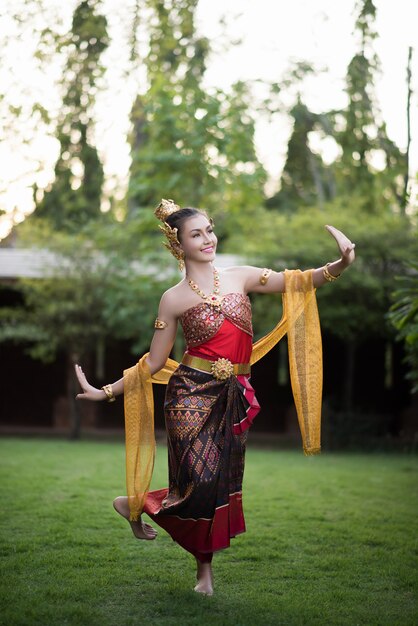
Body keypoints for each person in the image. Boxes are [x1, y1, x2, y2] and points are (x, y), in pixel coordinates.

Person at [75, 198, 355, 596]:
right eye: (196, 234)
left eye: (209, 229)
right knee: (198, 481)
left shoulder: (241, 277)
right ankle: (172, 539)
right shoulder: (172, 299)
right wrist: (104, 391)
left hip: (233, 395)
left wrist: (340, 264)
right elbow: (154, 362)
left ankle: (167, 535)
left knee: (217, 486)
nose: (208, 238)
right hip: (189, 395)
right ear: (179, 245)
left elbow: (297, 282)